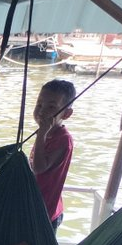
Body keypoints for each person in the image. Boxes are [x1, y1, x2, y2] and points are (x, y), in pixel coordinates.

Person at [30, 79, 75, 231]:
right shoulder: (45, 134)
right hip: (33, 206)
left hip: (46, 212)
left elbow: (39, 168)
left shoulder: (62, 139)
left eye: (51, 107)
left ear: (66, 114)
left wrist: (41, 133)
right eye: (39, 105)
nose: (42, 111)